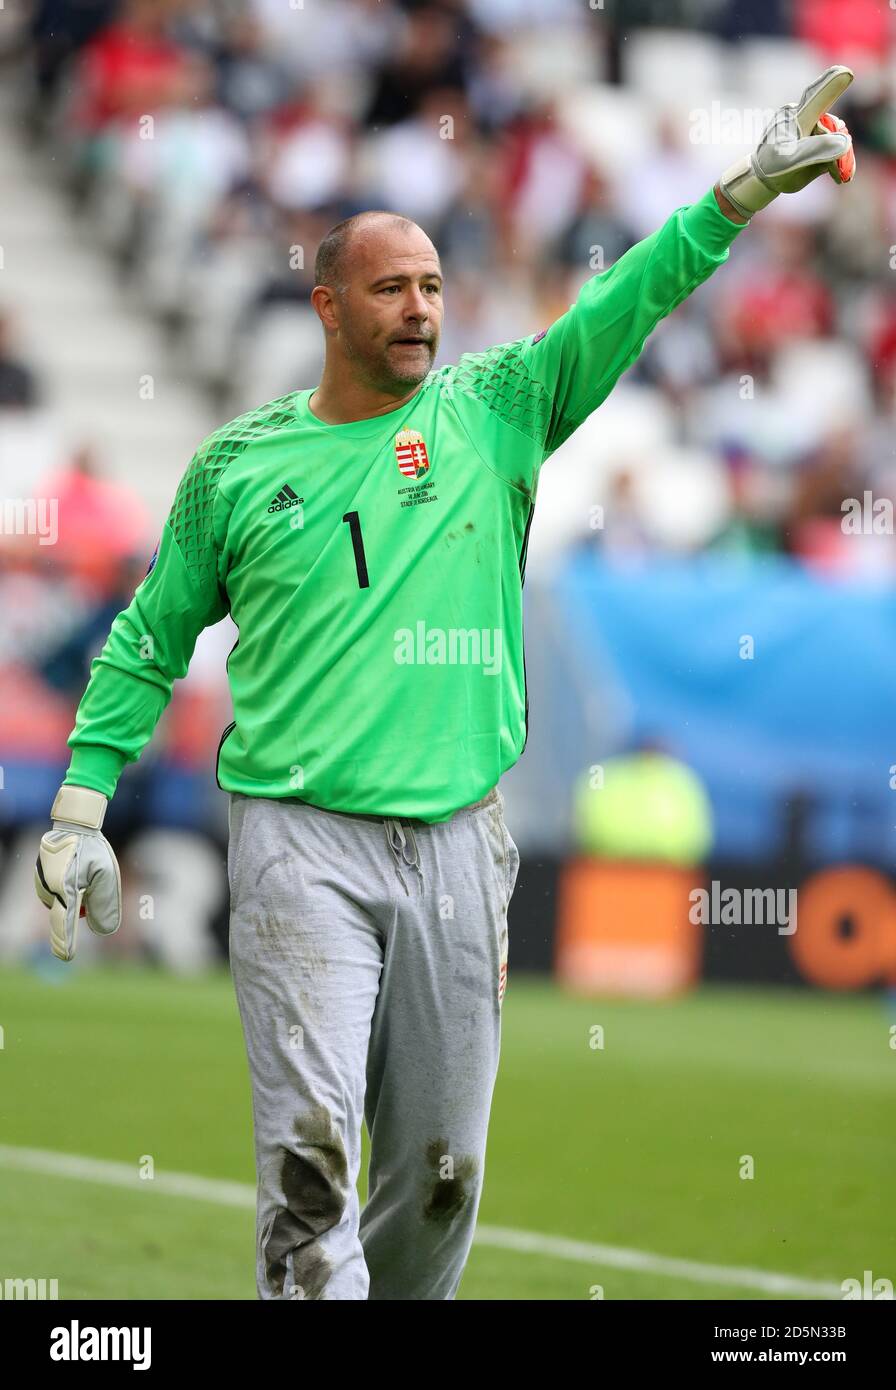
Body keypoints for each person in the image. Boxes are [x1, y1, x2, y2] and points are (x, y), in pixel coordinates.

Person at [34, 68, 855, 1300]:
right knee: (310, 1168)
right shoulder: (241, 468)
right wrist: (81, 805)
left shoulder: (496, 410)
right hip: (297, 841)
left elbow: (619, 306)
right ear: (325, 305)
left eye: (428, 286)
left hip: (461, 848)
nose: (420, 309)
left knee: (439, 1178)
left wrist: (735, 194)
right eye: (389, 289)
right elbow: (150, 636)